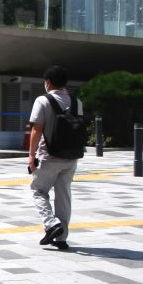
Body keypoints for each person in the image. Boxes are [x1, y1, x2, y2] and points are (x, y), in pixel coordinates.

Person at [28, 65, 83, 250]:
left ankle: (51, 224)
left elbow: (37, 129)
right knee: (63, 195)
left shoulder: (42, 100)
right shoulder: (77, 102)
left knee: (38, 190)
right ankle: (61, 238)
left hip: (49, 156)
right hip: (71, 156)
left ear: (48, 82)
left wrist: (31, 155)